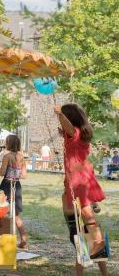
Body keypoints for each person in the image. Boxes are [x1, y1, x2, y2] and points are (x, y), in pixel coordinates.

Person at [54, 104, 107, 276]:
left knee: (87, 228)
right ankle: (90, 250)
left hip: (79, 184)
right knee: (81, 234)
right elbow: (69, 133)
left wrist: (59, 114)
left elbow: (68, 127)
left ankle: (95, 242)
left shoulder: (75, 133)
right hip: (78, 182)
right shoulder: (78, 135)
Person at [0, 135, 28, 249]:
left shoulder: (7, 156)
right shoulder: (21, 157)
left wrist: (4, 169)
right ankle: (24, 240)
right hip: (17, 185)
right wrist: (16, 172)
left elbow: (2, 172)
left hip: (6, 185)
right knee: (16, 215)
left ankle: (3, 239)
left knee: (1, 211)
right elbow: (24, 175)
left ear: (9, 144)